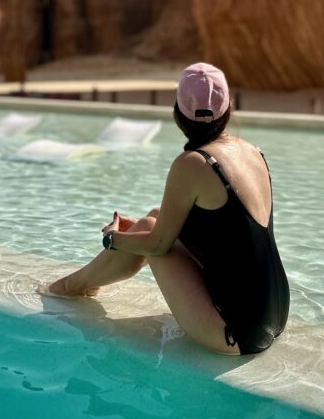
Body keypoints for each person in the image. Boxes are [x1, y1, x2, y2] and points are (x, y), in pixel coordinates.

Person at [48, 63, 290, 355]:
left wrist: (113, 238)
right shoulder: (252, 151)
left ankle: (70, 286)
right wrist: (141, 230)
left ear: (179, 112)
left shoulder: (195, 163)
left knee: (149, 230)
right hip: (275, 314)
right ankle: (80, 285)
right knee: (153, 217)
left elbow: (158, 244)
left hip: (236, 332)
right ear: (228, 108)